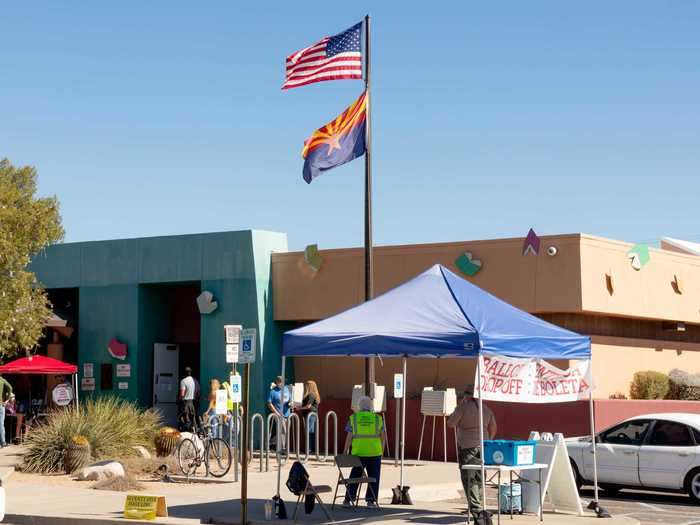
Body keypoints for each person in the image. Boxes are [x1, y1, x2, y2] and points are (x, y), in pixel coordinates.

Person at [447, 385, 497, 519]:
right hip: (484, 446)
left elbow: (450, 423)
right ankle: (480, 505)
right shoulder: (486, 409)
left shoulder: (463, 407)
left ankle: (476, 509)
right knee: (480, 477)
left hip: (467, 447)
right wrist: (487, 441)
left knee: (469, 478)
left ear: (466, 395)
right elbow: (493, 427)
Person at [343, 395, 383, 508]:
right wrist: (382, 450)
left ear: (359, 406)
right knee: (374, 477)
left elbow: (349, 436)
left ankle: (348, 499)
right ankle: (371, 501)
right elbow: (383, 436)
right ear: (371, 406)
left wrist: (345, 450)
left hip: (358, 452)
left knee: (355, 475)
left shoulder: (353, 418)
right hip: (375, 452)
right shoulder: (378, 419)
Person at [267, 376, 290, 451]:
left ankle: (276, 444)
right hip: (279, 414)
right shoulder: (273, 391)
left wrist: (291, 403)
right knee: (283, 431)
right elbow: (269, 403)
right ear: (277, 382)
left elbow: (290, 399)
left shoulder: (286, 389)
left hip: (287, 413)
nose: (281, 383)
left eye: (283, 381)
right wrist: (276, 413)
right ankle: (282, 448)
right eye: (280, 381)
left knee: (286, 431)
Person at [298, 380, 320, 454]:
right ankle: (312, 448)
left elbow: (308, 406)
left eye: (306, 385)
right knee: (312, 432)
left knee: (308, 432)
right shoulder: (314, 394)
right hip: (312, 415)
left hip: (310, 415)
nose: (305, 386)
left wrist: (299, 408)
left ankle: (309, 448)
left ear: (310, 386)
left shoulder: (311, 394)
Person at [179, 367, 196, 432]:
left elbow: (182, 394)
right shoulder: (193, 380)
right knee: (192, 420)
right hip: (191, 403)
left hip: (185, 403)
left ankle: (186, 434)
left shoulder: (183, 381)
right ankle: (193, 433)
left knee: (186, 420)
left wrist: (179, 398)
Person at [0, 374, 13, 448]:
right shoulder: (2, 380)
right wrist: (6, 400)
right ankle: (3, 442)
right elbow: (10, 388)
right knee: (1, 424)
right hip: (1, 404)